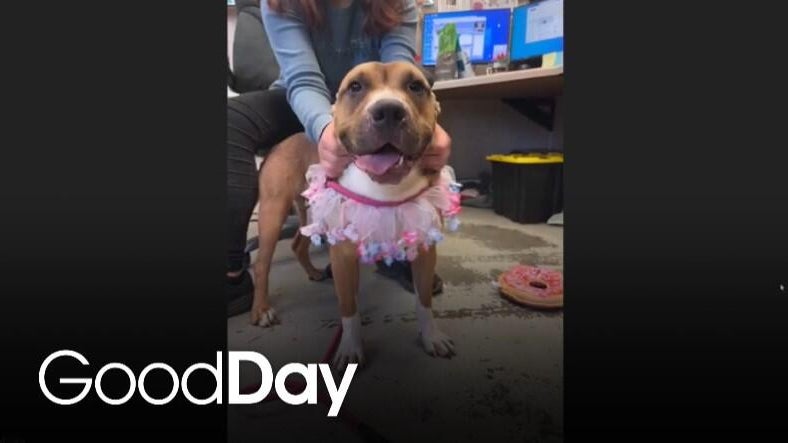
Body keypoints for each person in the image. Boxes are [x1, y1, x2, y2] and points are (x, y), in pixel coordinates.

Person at [227, 0, 452, 316]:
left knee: (406, 144)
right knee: (230, 122)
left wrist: (426, 126)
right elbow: (303, 79)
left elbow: (401, 73)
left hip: (375, 105)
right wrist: (326, 130)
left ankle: (396, 247)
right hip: (300, 99)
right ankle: (233, 273)